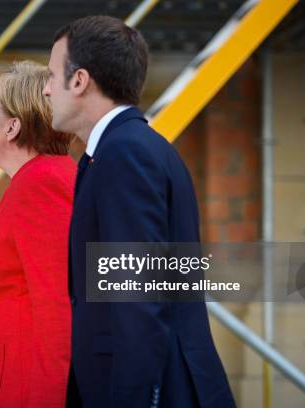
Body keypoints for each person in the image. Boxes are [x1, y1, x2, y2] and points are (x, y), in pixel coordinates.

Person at [43, 16, 236, 408]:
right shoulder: (122, 150)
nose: (45, 90)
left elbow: (138, 297)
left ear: (79, 81)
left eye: (50, 76)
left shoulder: (124, 153)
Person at [0, 60, 76, 407]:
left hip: (24, 393)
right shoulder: (35, 179)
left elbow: (57, 308)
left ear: (12, 127)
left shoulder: (41, 184)